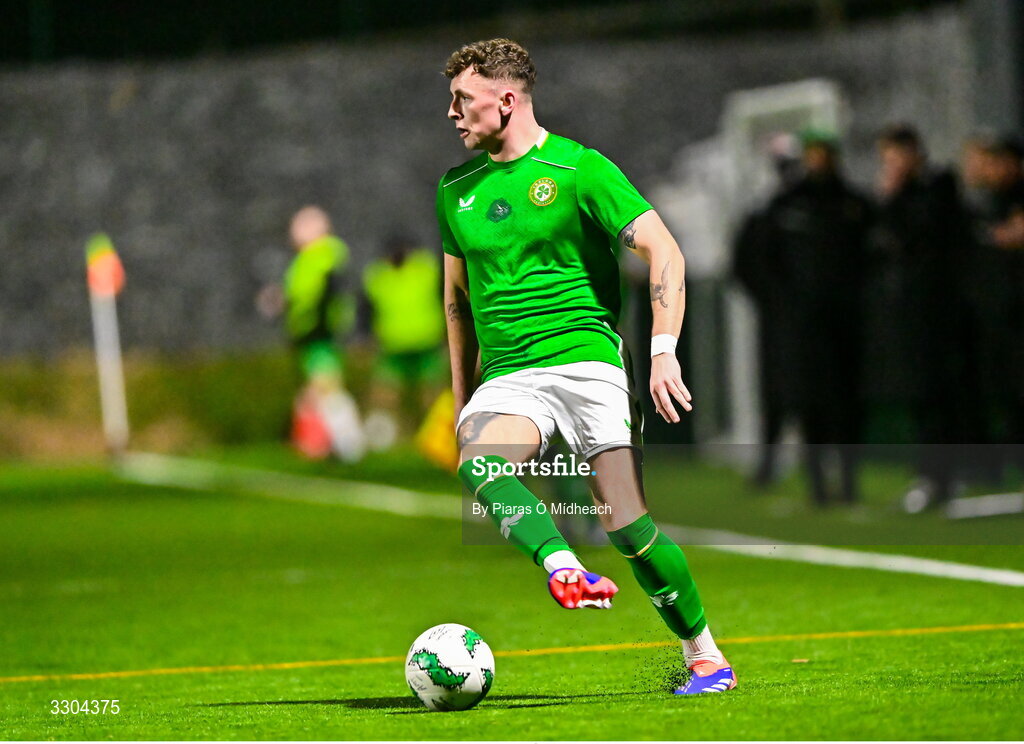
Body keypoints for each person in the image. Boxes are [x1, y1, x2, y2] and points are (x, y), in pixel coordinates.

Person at [437, 38, 734, 695]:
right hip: (511, 375)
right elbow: (456, 303)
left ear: (506, 100)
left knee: (627, 524)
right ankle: (562, 564)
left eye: (464, 100)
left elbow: (664, 251)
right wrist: (463, 399)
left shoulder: (580, 170)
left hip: (586, 362)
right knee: (480, 461)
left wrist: (662, 352)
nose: (453, 114)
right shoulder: (454, 190)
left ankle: (706, 656)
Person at [762, 130, 871, 506]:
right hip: (802, 328)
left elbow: (871, 258)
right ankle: (818, 486)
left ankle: (849, 483)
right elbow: (761, 261)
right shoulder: (786, 206)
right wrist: (782, 306)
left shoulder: (853, 204)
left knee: (847, 407)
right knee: (810, 408)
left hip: (845, 325)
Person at [872, 125, 972, 510]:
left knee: (945, 394)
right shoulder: (898, 197)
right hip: (912, 314)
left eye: (894, 156)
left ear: (912, 153)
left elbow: (930, 234)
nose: (890, 165)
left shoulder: (939, 186)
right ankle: (931, 476)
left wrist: (896, 195)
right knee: (921, 395)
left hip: (946, 311)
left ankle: (949, 475)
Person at [732, 133, 803, 487]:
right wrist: (772, 298)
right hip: (779, 319)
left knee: (809, 393)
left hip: (806, 319)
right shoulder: (767, 211)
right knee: (776, 393)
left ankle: (818, 469)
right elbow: (744, 264)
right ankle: (769, 463)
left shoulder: (801, 207)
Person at [282, 206, 364, 461]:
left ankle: (348, 443)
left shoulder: (325, 252)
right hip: (309, 332)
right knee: (316, 390)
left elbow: (328, 291)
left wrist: (320, 321)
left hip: (320, 332)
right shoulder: (308, 258)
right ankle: (315, 442)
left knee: (326, 386)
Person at [362, 234, 447, 436]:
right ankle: (391, 436)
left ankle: (435, 436)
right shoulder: (381, 274)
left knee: (431, 396)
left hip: (424, 342)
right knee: (387, 395)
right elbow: (367, 309)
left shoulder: (424, 267)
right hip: (396, 345)